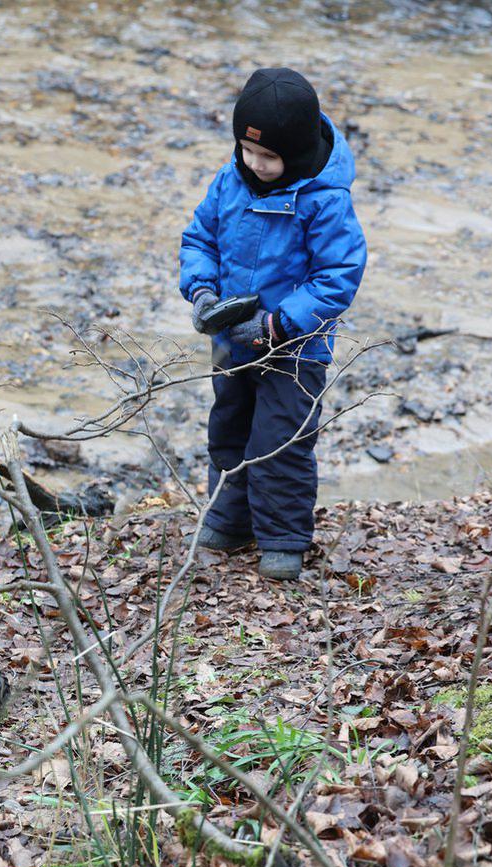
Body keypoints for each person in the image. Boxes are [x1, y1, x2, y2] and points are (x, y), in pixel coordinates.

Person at [179, 67, 367, 580]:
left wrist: (279, 325)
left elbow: (338, 276)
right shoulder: (230, 180)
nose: (255, 164)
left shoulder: (325, 200)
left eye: (269, 156)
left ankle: (283, 536)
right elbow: (199, 240)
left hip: (294, 348)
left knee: (279, 441)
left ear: (298, 151)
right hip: (231, 338)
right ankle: (230, 518)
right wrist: (201, 292)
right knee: (228, 428)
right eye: (247, 150)